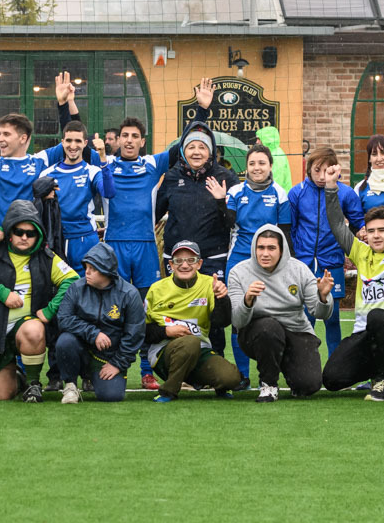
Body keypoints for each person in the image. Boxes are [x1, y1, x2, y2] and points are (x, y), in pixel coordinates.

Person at [103, 77, 214, 390]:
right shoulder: (105, 164)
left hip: (145, 247)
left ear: (142, 141)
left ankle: (147, 371)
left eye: (134, 136)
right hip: (113, 247)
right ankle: (114, 366)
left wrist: (201, 111)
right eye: (124, 136)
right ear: (117, 141)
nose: (128, 140)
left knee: (145, 311)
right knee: (113, 312)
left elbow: (184, 145)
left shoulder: (152, 164)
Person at [0, 200, 80, 402]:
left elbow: (72, 279)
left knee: (34, 329)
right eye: (18, 231)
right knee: (3, 395)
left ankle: (34, 384)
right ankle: (17, 376)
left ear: (38, 235)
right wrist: (2, 294)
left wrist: (51, 309)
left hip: (25, 327)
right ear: (9, 231)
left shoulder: (46, 257)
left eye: (30, 233)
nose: (24, 237)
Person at [319, 164, 384, 401]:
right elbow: (337, 226)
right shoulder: (361, 253)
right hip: (366, 335)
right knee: (331, 379)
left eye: (382, 230)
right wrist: (331, 188)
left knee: (377, 316)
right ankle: (376, 368)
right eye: (371, 231)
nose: (377, 235)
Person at [0, 73, 96, 229]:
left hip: (30, 241)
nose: (0, 139)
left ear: (23, 138)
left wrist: (64, 104)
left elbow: (73, 138)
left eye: (6, 134)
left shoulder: (40, 162)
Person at [156, 119, 239, 358]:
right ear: (183, 150)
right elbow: (155, 212)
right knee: (180, 311)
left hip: (213, 258)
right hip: (177, 259)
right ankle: (182, 364)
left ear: (211, 151)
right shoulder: (171, 177)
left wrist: (221, 202)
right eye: (191, 146)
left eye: (202, 147)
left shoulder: (226, 177)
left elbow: (233, 222)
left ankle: (215, 362)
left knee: (213, 313)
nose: (196, 152)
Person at [226, 226, 335, 402]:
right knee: (268, 327)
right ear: (254, 248)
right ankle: (268, 385)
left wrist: (323, 297)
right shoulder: (238, 272)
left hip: (295, 330)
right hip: (258, 333)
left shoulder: (299, 269)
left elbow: (321, 313)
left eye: (271, 248)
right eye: (260, 248)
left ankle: (285, 361)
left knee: (308, 386)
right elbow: (237, 321)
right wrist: (247, 300)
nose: (265, 253)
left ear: (282, 249)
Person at [224, 143, 292, 385]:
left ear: (270, 166)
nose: (256, 167)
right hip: (239, 259)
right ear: (246, 167)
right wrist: (219, 203)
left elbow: (284, 234)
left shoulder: (279, 194)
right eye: (252, 163)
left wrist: (287, 265)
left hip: (269, 263)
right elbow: (227, 223)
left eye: (262, 163)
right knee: (238, 317)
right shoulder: (234, 192)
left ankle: (275, 373)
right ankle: (243, 376)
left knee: (274, 316)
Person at [287, 146, 362, 356]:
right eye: (317, 170)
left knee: (332, 317)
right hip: (304, 263)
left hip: (332, 262)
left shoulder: (346, 193)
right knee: (305, 317)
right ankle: (304, 362)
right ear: (309, 168)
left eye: (327, 170)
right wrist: (294, 259)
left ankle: (334, 366)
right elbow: (290, 229)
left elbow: (358, 225)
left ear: (336, 170)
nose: (321, 176)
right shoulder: (297, 192)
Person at [143, 241, 239, 403]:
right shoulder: (156, 289)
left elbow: (221, 323)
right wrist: (166, 332)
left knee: (231, 378)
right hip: (164, 352)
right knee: (189, 343)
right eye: (179, 261)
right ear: (171, 265)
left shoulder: (210, 284)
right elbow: (141, 331)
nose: (185, 265)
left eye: (191, 260)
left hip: (200, 350)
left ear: (199, 264)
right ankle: (168, 391)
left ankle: (194, 378)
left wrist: (221, 299)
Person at [54, 242, 145, 403]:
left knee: (112, 396)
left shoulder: (129, 294)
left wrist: (117, 364)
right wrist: (93, 333)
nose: (86, 272)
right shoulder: (76, 288)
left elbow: (135, 334)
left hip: (109, 357)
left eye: (93, 269)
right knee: (65, 341)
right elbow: (64, 319)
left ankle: (92, 377)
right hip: (80, 348)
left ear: (106, 271)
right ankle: (70, 385)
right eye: (86, 267)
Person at [40, 121, 114, 273]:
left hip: (85, 239)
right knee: (58, 290)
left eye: (78, 141)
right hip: (57, 239)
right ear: (62, 142)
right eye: (68, 140)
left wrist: (102, 158)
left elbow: (109, 192)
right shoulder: (47, 174)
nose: (73, 146)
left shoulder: (92, 171)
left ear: (85, 143)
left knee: (88, 290)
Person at [255, 126, 292, 192]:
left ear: (266, 139)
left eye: (259, 139)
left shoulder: (276, 156)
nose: (257, 142)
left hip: (277, 196)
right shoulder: (271, 153)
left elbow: (276, 179)